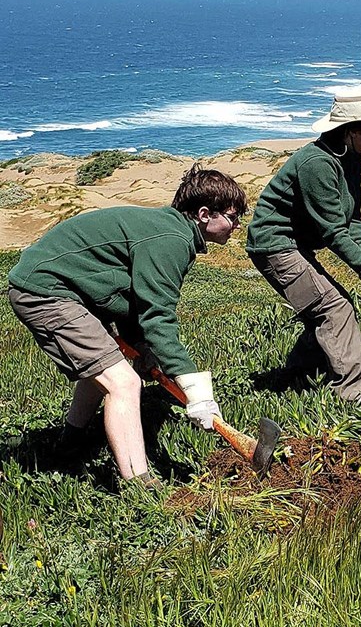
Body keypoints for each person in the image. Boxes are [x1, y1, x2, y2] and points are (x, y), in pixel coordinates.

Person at [7, 165, 247, 487]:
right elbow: (157, 316)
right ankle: (141, 486)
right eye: (233, 216)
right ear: (204, 214)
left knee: (104, 367)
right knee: (124, 383)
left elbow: (132, 297)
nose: (237, 224)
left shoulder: (170, 231)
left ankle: (69, 444)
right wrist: (196, 389)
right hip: (45, 292)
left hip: (67, 290)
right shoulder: (170, 239)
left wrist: (143, 347)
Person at [247, 91, 361, 402]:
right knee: (334, 308)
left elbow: (352, 218)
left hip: (294, 244)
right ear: (353, 130)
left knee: (321, 307)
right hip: (275, 246)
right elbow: (334, 232)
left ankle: (298, 372)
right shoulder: (317, 164)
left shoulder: (350, 158)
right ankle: (352, 395)